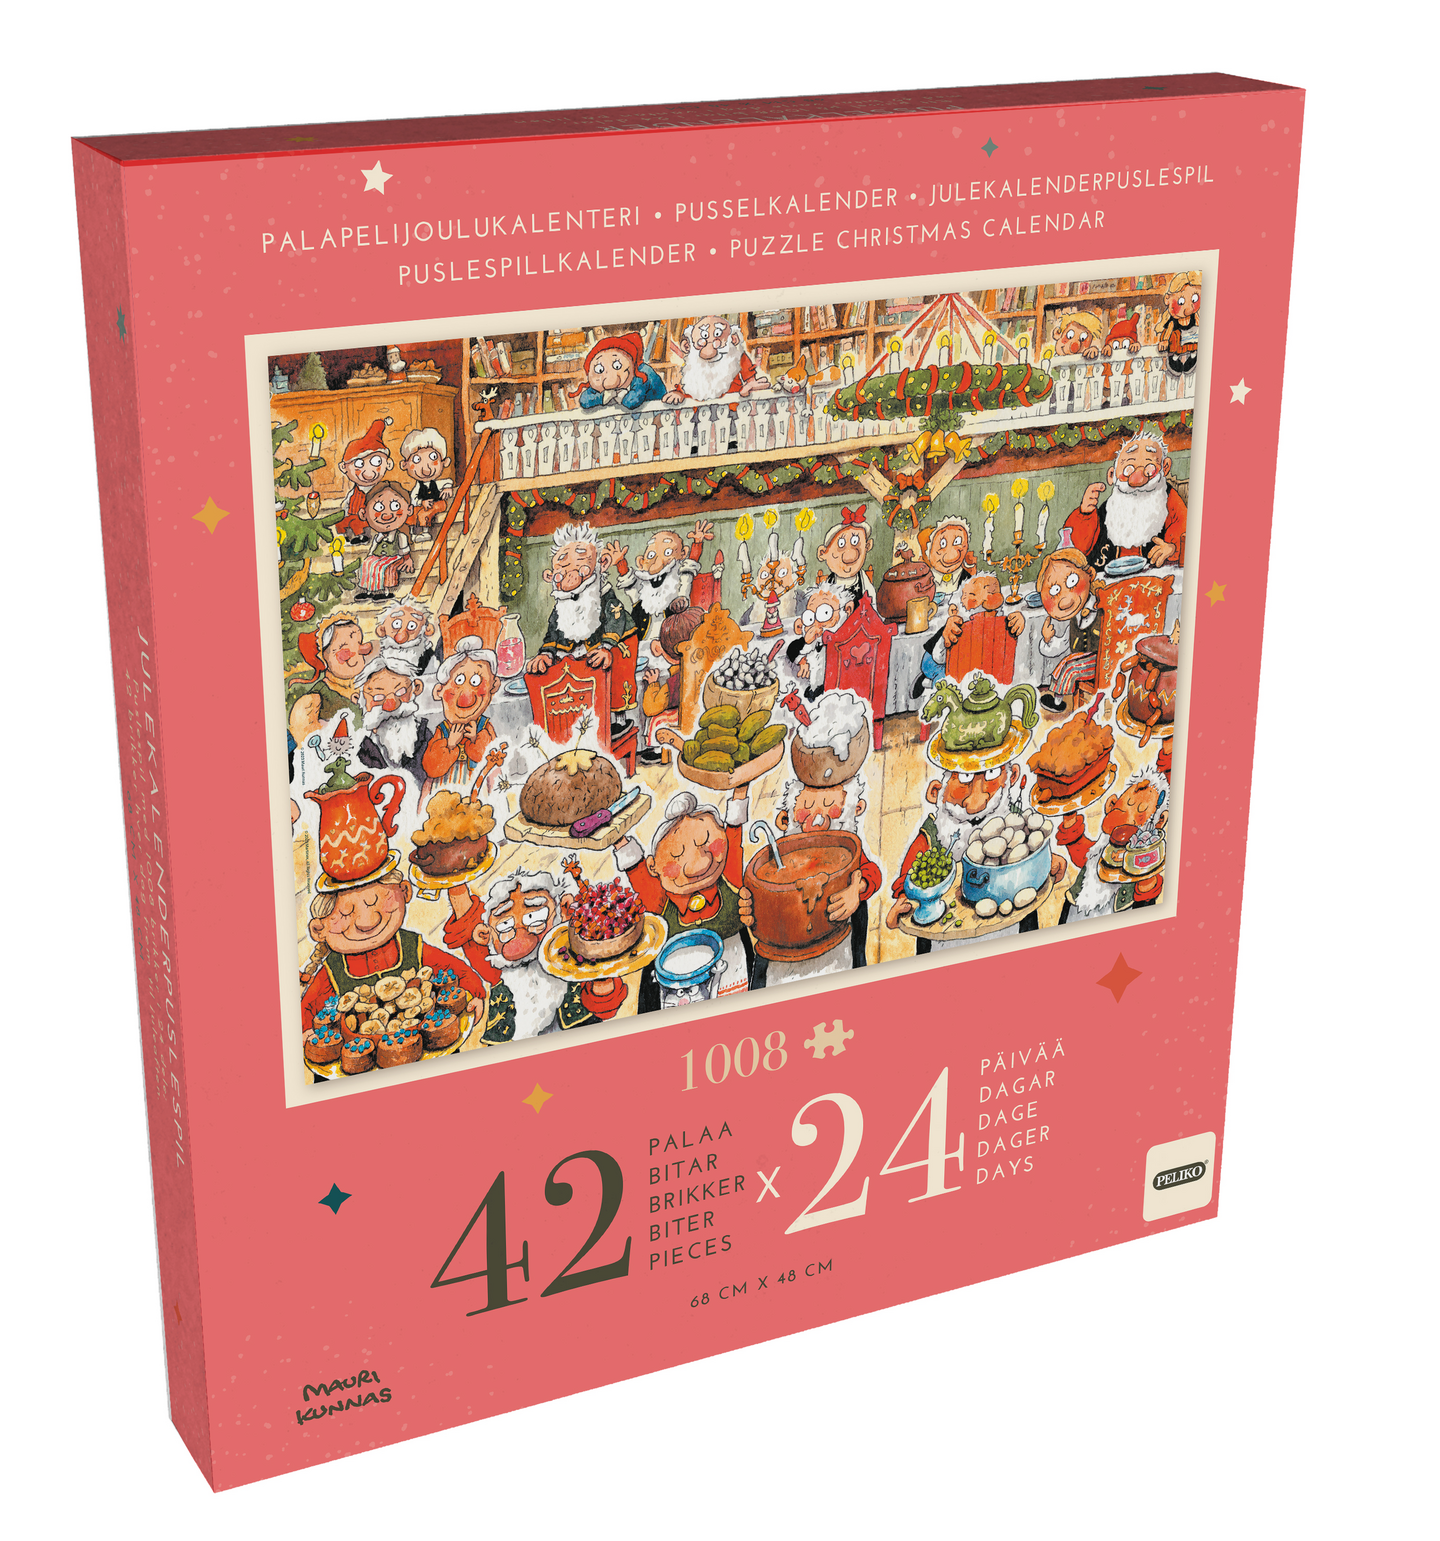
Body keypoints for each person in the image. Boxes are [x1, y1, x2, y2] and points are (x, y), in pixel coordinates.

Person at [442, 870, 626, 1041]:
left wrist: (602, 981)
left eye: (535, 917)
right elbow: (466, 924)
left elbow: (605, 1009)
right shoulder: (497, 970)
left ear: (562, 912)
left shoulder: (572, 961)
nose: (521, 934)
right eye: (505, 925)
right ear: (485, 935)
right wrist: (453, 874)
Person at [614, 788, 753, 1011]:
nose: (698, 864)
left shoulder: (729, 877)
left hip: (732, 965)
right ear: (653, 866)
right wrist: (618, 839)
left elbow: (735, 831)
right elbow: (637, 872)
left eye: (707, 843)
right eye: (677, 856)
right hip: (677, 982)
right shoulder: (661, 900)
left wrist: (740, 791)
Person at [739, 774, 882, 987]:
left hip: (838, 952)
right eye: (807, 807)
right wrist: (748, 906)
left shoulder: (847, 849)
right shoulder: (783, 853)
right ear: (785, 819)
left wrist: (857, 890)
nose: (818, 818)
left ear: (855, 808)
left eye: (830, 806)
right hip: (781, 966)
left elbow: (872, 873)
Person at [1062, 429, 1186, 571]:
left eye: (1149, 468)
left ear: (1165, 466)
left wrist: (1173, 548)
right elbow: (1075, 551)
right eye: (1128, 469)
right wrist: (1084, 514)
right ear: (1112, 475)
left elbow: (1185, 533)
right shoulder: (1107, 510)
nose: (1138, 478)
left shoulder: (1169, 499)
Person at [525, 522, 636, 674]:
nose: (571, 571)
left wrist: (607, 648)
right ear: (550, 576)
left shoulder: (607, 601)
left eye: (580, 555)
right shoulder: (562, 607)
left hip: (608, 661)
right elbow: (553, 633)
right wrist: (546, 653)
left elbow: (616, 623)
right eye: (563, 560)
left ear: (602, 564)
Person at [606, 520, 712, 643]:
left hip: (672, 641)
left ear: (683, 554)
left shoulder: (676, 577)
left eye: (667, 552)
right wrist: (621, 563)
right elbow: (631, 588)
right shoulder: (643, 585)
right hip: (643, 640)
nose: (657, 559)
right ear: (641, 562)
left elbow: (687, 574)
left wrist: (697, 543)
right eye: (651, 555)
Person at [420, 637, 500, 792]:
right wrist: (450, 744)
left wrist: (476, 739)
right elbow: (431, 768)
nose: (466, 693)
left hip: (478, 788)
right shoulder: (442, 730)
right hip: (444, 791)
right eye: (459, 680)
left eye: (475, 681)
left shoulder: (484, 727)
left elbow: (493, 758)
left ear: (494, 685)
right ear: (439, 691)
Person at [1036, 547, 1102, 712]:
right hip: (1083, 660)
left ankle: (1058, 702)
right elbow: (1062, 645)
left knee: (1070, 668)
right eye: (1055, 590)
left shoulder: (1101, 605)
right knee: (1066, 663)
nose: (1064, 597)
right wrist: (1048, 638)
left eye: (1072, 581)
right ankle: (1057, 699)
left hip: (1101, 661)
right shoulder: (1074, 618)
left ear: (1090, 574)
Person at [638, 601, 704, 766]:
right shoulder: (703, 666)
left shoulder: (676, 679)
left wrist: (653, 684)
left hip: (684, 717)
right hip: (701, 711)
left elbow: (651, 707)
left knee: (656, 719)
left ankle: (657, 751)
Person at [288, 614, 372, 742]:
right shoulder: (315, 699)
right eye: (344, 648)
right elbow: (304, 739)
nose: (359, 651)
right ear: (323, 657)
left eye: (359, 643)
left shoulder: (368, 685)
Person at [355, 657, 432, 782]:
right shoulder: (364, 750)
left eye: (400, 691)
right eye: (378, 697)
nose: (391, 705)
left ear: (416, 688)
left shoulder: (426, 738)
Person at [576, 332, 681, 411]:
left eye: (617, 366)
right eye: (599, 369)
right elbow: (584, 400)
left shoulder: (642, 374)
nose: (608, 376)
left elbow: (632, 401)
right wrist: (604, 396)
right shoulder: (598, 380)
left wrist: (617, 395)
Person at [675, 315, 770, 401]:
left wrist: (751, 386)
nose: (709, 345)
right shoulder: (692, 367)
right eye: (704, 337)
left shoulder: (736, 356)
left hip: (734, 408)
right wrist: (679, 394)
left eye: (717, 335)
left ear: (734, 339)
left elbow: (750, 379)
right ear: (686, 346)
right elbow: (687, 387)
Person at [786, 585, 852, 702]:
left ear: (847, 610)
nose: (816, 622)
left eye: (825, 613)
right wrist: (802, 660)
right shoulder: (814, 638)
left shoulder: (846, 636)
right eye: (811, 616)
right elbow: (792, 649)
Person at [334, 417, 394, 541]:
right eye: (359, 464)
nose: (368, 473)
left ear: (388, 464)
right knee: (343, 522)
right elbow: (347, 503)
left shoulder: (381, 490)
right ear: (344, 467)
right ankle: (348, 536)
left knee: (357, 522)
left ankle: (361, 536)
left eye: (376, 462)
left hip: (371, 518)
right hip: (353, 515)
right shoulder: (355, 492)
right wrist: (344, 512)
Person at [815, 506, 875, 611]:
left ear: (867, 546)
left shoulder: (864, 581)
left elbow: (872, 603)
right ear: (823, 553)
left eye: (855, 542)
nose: (850, 554)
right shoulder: (827, 585)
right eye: (841, 544)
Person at [399, 427, 452, 537]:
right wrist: (421, 502)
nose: (426, 467)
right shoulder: (418, 487)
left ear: (444, 462)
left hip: (438, 503)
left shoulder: (436, 483)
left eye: (433, 457)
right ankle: (413, 533)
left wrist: (447, 488)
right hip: (424, 505)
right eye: (416, 460)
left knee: (424, 513)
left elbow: (447, 482)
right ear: (405, 465)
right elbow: (414, 498)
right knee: (411, 513)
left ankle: (425, 532)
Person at [1159, 270, 1201, 377]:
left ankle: (1193, 356)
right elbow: (1168, 331)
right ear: (1167, 299)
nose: (1189, 308)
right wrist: (1165, 341)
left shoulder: (1195, 316)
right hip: (1178, 346)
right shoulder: (1173, 321)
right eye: (1181, 302)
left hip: (1191, 343)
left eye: (1194, 299)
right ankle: (1175, 358)